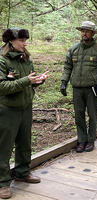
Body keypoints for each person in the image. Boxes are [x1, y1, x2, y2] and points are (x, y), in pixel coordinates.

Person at [0, 28, 47, 199]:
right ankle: (2, 183)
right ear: (11, 41)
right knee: (4, 148)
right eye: (21, 40)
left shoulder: (25, 58)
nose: (25, 43)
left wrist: (37, 81)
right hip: (7, 110)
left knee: (25, 142)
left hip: (25, 108)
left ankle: (22, 172)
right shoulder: (2, 60)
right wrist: (26, 80)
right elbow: (2, 87)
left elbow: (28, 82)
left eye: (25, 40)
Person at [61, 21, 97, 153]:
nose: (84, 33)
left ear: (93, 33)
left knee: (93, 115)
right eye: (82, 31)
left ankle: (91, 140)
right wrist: (64, 82)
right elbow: (67, 67)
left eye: (87, 31)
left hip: (92, 89)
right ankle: (81, 140)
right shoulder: (74, 49)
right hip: (77, 88)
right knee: (79, 116)